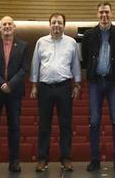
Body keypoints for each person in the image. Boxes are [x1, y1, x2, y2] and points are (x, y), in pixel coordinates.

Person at [30, 12, 82, 172]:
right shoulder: (41, 42)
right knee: (44, 126)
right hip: (45, 88)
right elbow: (35, 64)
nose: (56, 25)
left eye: (59, 23)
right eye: (54, 22)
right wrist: (34, 86)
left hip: (64, 87)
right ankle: (42, 159)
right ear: (49, 24)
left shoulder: (72, 43)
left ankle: (65, 158)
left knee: (65, 125)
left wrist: (77, 85)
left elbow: (75, 66)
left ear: (64, 25)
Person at [81, 2, 115, 172]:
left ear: (111, 13)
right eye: (101, 12)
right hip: (95, 83)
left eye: (107, 12)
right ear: (97, 14)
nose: (104, 15)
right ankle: (94, 159)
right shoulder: (89, 34)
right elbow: (86, 57)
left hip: (114, 83)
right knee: (94, 122)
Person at [0, 16, 29, 174]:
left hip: (14, 92)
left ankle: (14, 161)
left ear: (14, 27)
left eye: (10, 24)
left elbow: (24, 68)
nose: (7, 26)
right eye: (4, 24)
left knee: (14, 127)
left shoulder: (23, 45)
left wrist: (11, 84)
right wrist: (1, 83)